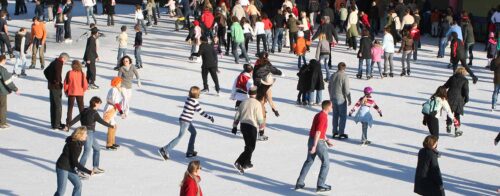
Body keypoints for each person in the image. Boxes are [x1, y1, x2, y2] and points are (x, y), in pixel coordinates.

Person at [158, 86, 215, 160]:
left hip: (185, 120)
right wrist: (210, 117)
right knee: (180, 136)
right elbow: (201, 113)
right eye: (199, 93)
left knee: (193, 133)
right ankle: (165, 150)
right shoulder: (195, 102)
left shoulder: (188, 99)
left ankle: (190, 151)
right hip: (186, 121)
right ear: (197, 94)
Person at [66, 97, 114, 176]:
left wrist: (68, 125)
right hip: (88, 133)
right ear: (95, 103)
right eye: (99, 104)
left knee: (97, 148)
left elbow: (77, 118)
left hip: (85, 132)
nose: (99, 105)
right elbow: (101, 121)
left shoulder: (85, 110)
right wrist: (111, 126)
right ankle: (79, 170)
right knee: (87, 151)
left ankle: (95, 167)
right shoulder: (94, 113)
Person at [295, 100, 334, 193]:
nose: (332, 108)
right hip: (318, 142)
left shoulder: (318, 115)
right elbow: (318, 132)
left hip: (312, 139)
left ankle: (300, 182)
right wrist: (315, 146)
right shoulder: (323, 117)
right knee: (326, 163)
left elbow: (319, 131)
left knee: (309, 161)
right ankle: (321, 185)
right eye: (331, 106)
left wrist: (327, 140)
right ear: (327, 107)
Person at [232, 86, 263, 174]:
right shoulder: (257, 103)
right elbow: (260, 118)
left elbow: (237, 115)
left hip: (243, 126)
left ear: (249, 93)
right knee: (251, 147)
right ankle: (239, 162)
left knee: (248, 145)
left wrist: (234, 126)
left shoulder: (243, 102)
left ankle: (247, 163)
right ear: (256, 94)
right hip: (251, 126)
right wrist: (261, 130)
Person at [54, 127, 93, 196]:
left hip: (70, 167)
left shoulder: (78, 143)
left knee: (78, 185)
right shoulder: (74, 144)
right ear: (80, 135)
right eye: (85, 134)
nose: (86, 135)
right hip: (62, 167)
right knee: (61, 192)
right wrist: (88, 171)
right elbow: (75, 162)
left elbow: (73, 162)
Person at [443, 67, 469, 137]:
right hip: (459, 99)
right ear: (464, 72)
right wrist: (466, 99)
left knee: (449, 112)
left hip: (450, 97)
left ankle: (448, 125)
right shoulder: (465, 80)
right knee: (457, 115)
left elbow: (445, 86)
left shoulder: (452, 78)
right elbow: (466, 91)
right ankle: (457, 129)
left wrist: (441, 92)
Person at [47, 53, 70, 130]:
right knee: (58, 106)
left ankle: (54, 123)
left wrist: (51, 80)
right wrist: (57, 82)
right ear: (63, 58)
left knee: (53, 105)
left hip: (51, 87)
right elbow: (57, 74)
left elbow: (45, 71)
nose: (65, 62)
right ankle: (57, 124)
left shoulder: (54, 61)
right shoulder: (59, 63)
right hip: (56, 88)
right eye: (66, 61)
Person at [329, 62, 351, 139]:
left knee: (335, 115)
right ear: (344, 68)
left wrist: (331, 96)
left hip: (333, 97)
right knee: (342, 116)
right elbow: (346, 89)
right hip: (341, 99)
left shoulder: (333, 75)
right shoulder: (344, 76)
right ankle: (341, 132)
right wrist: (349, 98)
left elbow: (329, 87)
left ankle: (335, 132)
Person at [103, 77, 126, 150]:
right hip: (110, 109)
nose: (120, 84)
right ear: (116, 83)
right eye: (119, 83)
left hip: (112, 108)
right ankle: (109, 144)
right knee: (112, 126)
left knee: (114, 126)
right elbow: (116, 103)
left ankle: (112, 142)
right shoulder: (114, 90)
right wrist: (121, 112)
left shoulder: (115, 89)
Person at [64, 60, 88, 128]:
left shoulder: (69, 73)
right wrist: (82, 90)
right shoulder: (82, 74)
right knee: (81, 110)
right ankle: (84, 124)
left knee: (70, 109)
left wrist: (66, 91)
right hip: (80, 93)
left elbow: (66, 84)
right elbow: (85, 85)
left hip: (71, 93)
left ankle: (68, 124)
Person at [0, 55, 20, 129]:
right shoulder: (2, 69)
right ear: (2, 60)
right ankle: (2, 122)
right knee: (2, 107)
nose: (5, 61)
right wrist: (15, 89)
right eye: (5, 60)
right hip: (1, 91)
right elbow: (8, 82)